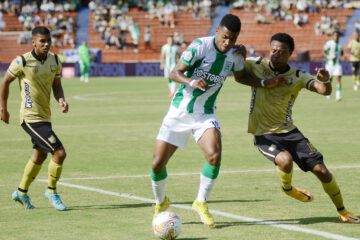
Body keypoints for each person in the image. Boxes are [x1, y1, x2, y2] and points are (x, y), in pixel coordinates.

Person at [151, 14, 285, 227]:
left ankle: (200, 202)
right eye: (224, 37)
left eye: (232, 39)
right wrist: (191, 80)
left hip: (205, 113)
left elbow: (240, 77)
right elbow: (174, 72)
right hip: (179, 112)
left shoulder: (234, 54)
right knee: (157, 164)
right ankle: (161, 202)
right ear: (217, 32)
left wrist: (262, 82)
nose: (228, 43)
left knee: (214, 156)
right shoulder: (199, 46)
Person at [244, 32, 359, 223]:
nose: (276, 54)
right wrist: (237, 54)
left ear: (290, 54)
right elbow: (232, 65)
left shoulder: (297, 75)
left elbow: (323, 91)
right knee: (285, 161)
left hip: (291, 133)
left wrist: (326, 80)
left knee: (322, 171)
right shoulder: (255, 64)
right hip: (264, 134)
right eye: (273, 50)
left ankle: (343, 211)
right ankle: (288, 189)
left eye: (281, 52)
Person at [0, 26, 69, 211]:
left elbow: (57, 85)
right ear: (33, 42)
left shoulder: (55, 60)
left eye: (49, 41)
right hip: (30, 117)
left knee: (40, 154)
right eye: (42, 42)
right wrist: (3, 109)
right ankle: (51, 191)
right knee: (60, 153)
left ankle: (21, 192)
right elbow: (5, 81)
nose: (46, 45)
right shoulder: (22, 61)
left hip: (45, 116)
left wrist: (61, 99)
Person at [323, 31, 343, 101]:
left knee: (338, 79)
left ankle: (338, 96)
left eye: (337, 36)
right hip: (329, 65)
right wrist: (329, 57)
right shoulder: (329, 43)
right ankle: (328, 94)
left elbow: (342, 53)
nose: (336, 37)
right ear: (333, 36)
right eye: (335, 36)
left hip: (337, 65)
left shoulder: (340, 45)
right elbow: (323, 52)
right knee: (329, 80)